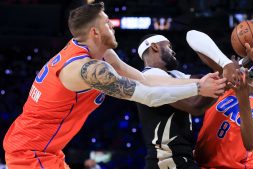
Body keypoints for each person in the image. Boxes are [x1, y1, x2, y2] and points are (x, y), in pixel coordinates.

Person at [2, 3, 226, 169]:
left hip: (47, 150)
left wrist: (202, 80)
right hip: (30, 152)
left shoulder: (101, 52)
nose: (113, 25)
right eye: (107, 23)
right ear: (95, 32)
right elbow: (148, 95)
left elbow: (144, 78)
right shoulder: (88, 71)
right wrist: (197, 89)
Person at [135, 32, 253, 169]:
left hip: (182, 159)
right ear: (155, 47)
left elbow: (191, 35)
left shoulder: (176, 76)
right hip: (167, 161)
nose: (173, 52)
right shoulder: (149, 76)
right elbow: (194, 105)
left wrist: (246, 62)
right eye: (169, 47)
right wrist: (227, 65)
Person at [188, 32, 253, 169]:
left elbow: (251, 142)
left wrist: (243, 98)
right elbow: (192, 35)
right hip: (201, 162)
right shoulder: (232, 81)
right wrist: (245, 60)